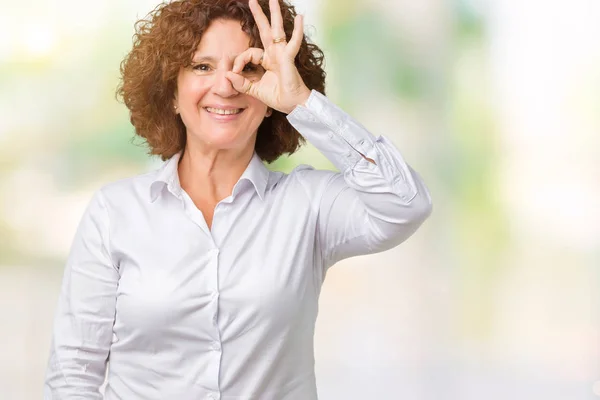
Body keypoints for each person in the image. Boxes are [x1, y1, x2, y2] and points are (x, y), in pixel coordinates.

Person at [43, 0, 432, 398]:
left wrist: (301, 103)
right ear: (171, 92)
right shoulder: (115, 213)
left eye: (248, 68)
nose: (227, 85)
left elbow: (406, 204)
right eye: (202, 66)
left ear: (270, 102)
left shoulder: (307, 206)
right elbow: (72, 374)